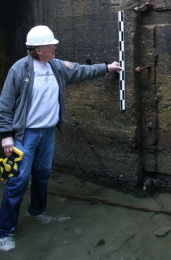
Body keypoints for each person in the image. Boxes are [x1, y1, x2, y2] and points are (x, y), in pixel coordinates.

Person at [0, 25, 121, 251]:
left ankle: (36, 211)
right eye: (51, 45)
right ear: (38, 50)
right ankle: (4, 231)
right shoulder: (20, 70)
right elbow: (5, 105)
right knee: (17, 181)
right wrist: (6, 135)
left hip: (47, 133)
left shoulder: (56, 67)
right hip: (24, 134)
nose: (55, 47)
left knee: (43, 175)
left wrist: (107, 67)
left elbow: (80, 71)